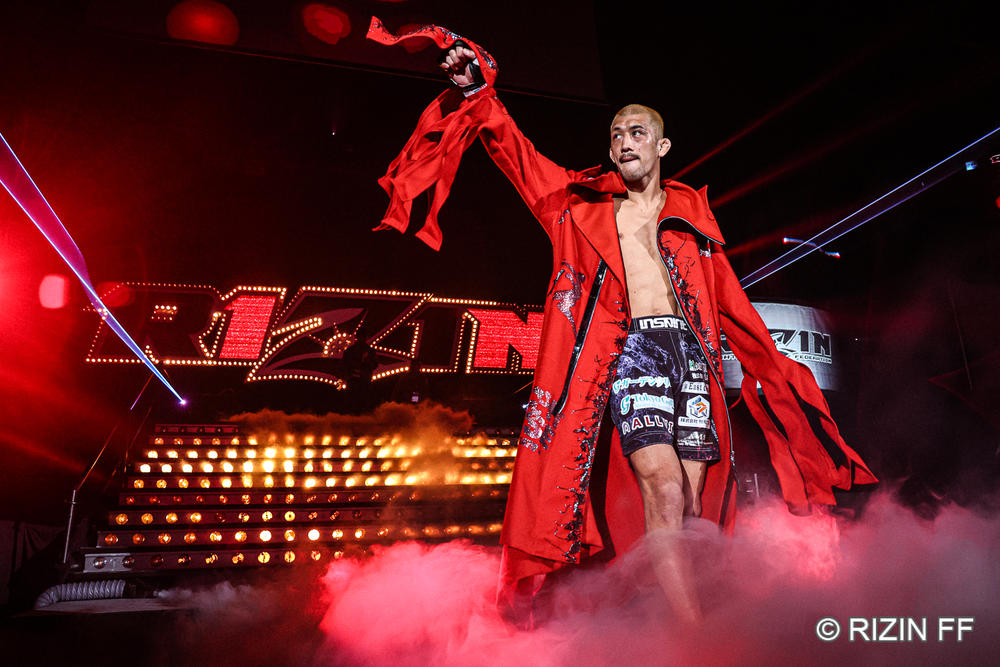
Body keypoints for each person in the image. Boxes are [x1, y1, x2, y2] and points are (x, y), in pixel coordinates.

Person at [366, 20, 877, 625]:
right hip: (632, 351)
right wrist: (479, 91)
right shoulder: (577, 204)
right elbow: (517, 154)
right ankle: (693, 637)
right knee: (661, 486)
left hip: (692, 356)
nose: (624, 141)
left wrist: (775, 371)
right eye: (616, 134)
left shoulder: (691, 216)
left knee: (693, 506)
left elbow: (730, 305)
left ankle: (684, 612)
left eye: (637, 132)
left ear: (662, 146)